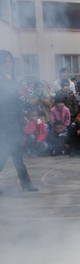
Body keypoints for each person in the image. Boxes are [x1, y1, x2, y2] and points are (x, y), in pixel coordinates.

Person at [0, 50, 38, 192]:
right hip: (2, 125)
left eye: (10, 61)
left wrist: (21, 122)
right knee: (3, 155)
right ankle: (26, 183)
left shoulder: (12, 79)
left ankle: (26, 183)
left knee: (16, 155)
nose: (8, 64)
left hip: (13, 124)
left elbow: (15, 104)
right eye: (5, 61)